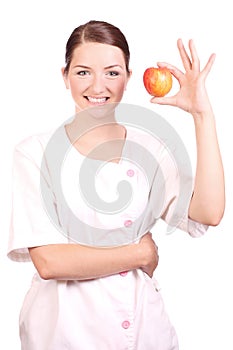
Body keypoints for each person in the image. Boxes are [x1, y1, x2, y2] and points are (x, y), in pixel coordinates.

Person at [8, 20, 225, 350]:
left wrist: (202, 115)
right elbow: (50, 262)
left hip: (144, 332)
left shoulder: (150, 149)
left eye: (112, 72)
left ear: (129, 78)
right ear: (64, 76)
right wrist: (138, 253)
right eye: (83, 72)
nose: (98, 85)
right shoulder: (35, 153)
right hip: (62, 334)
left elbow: (208, 212)